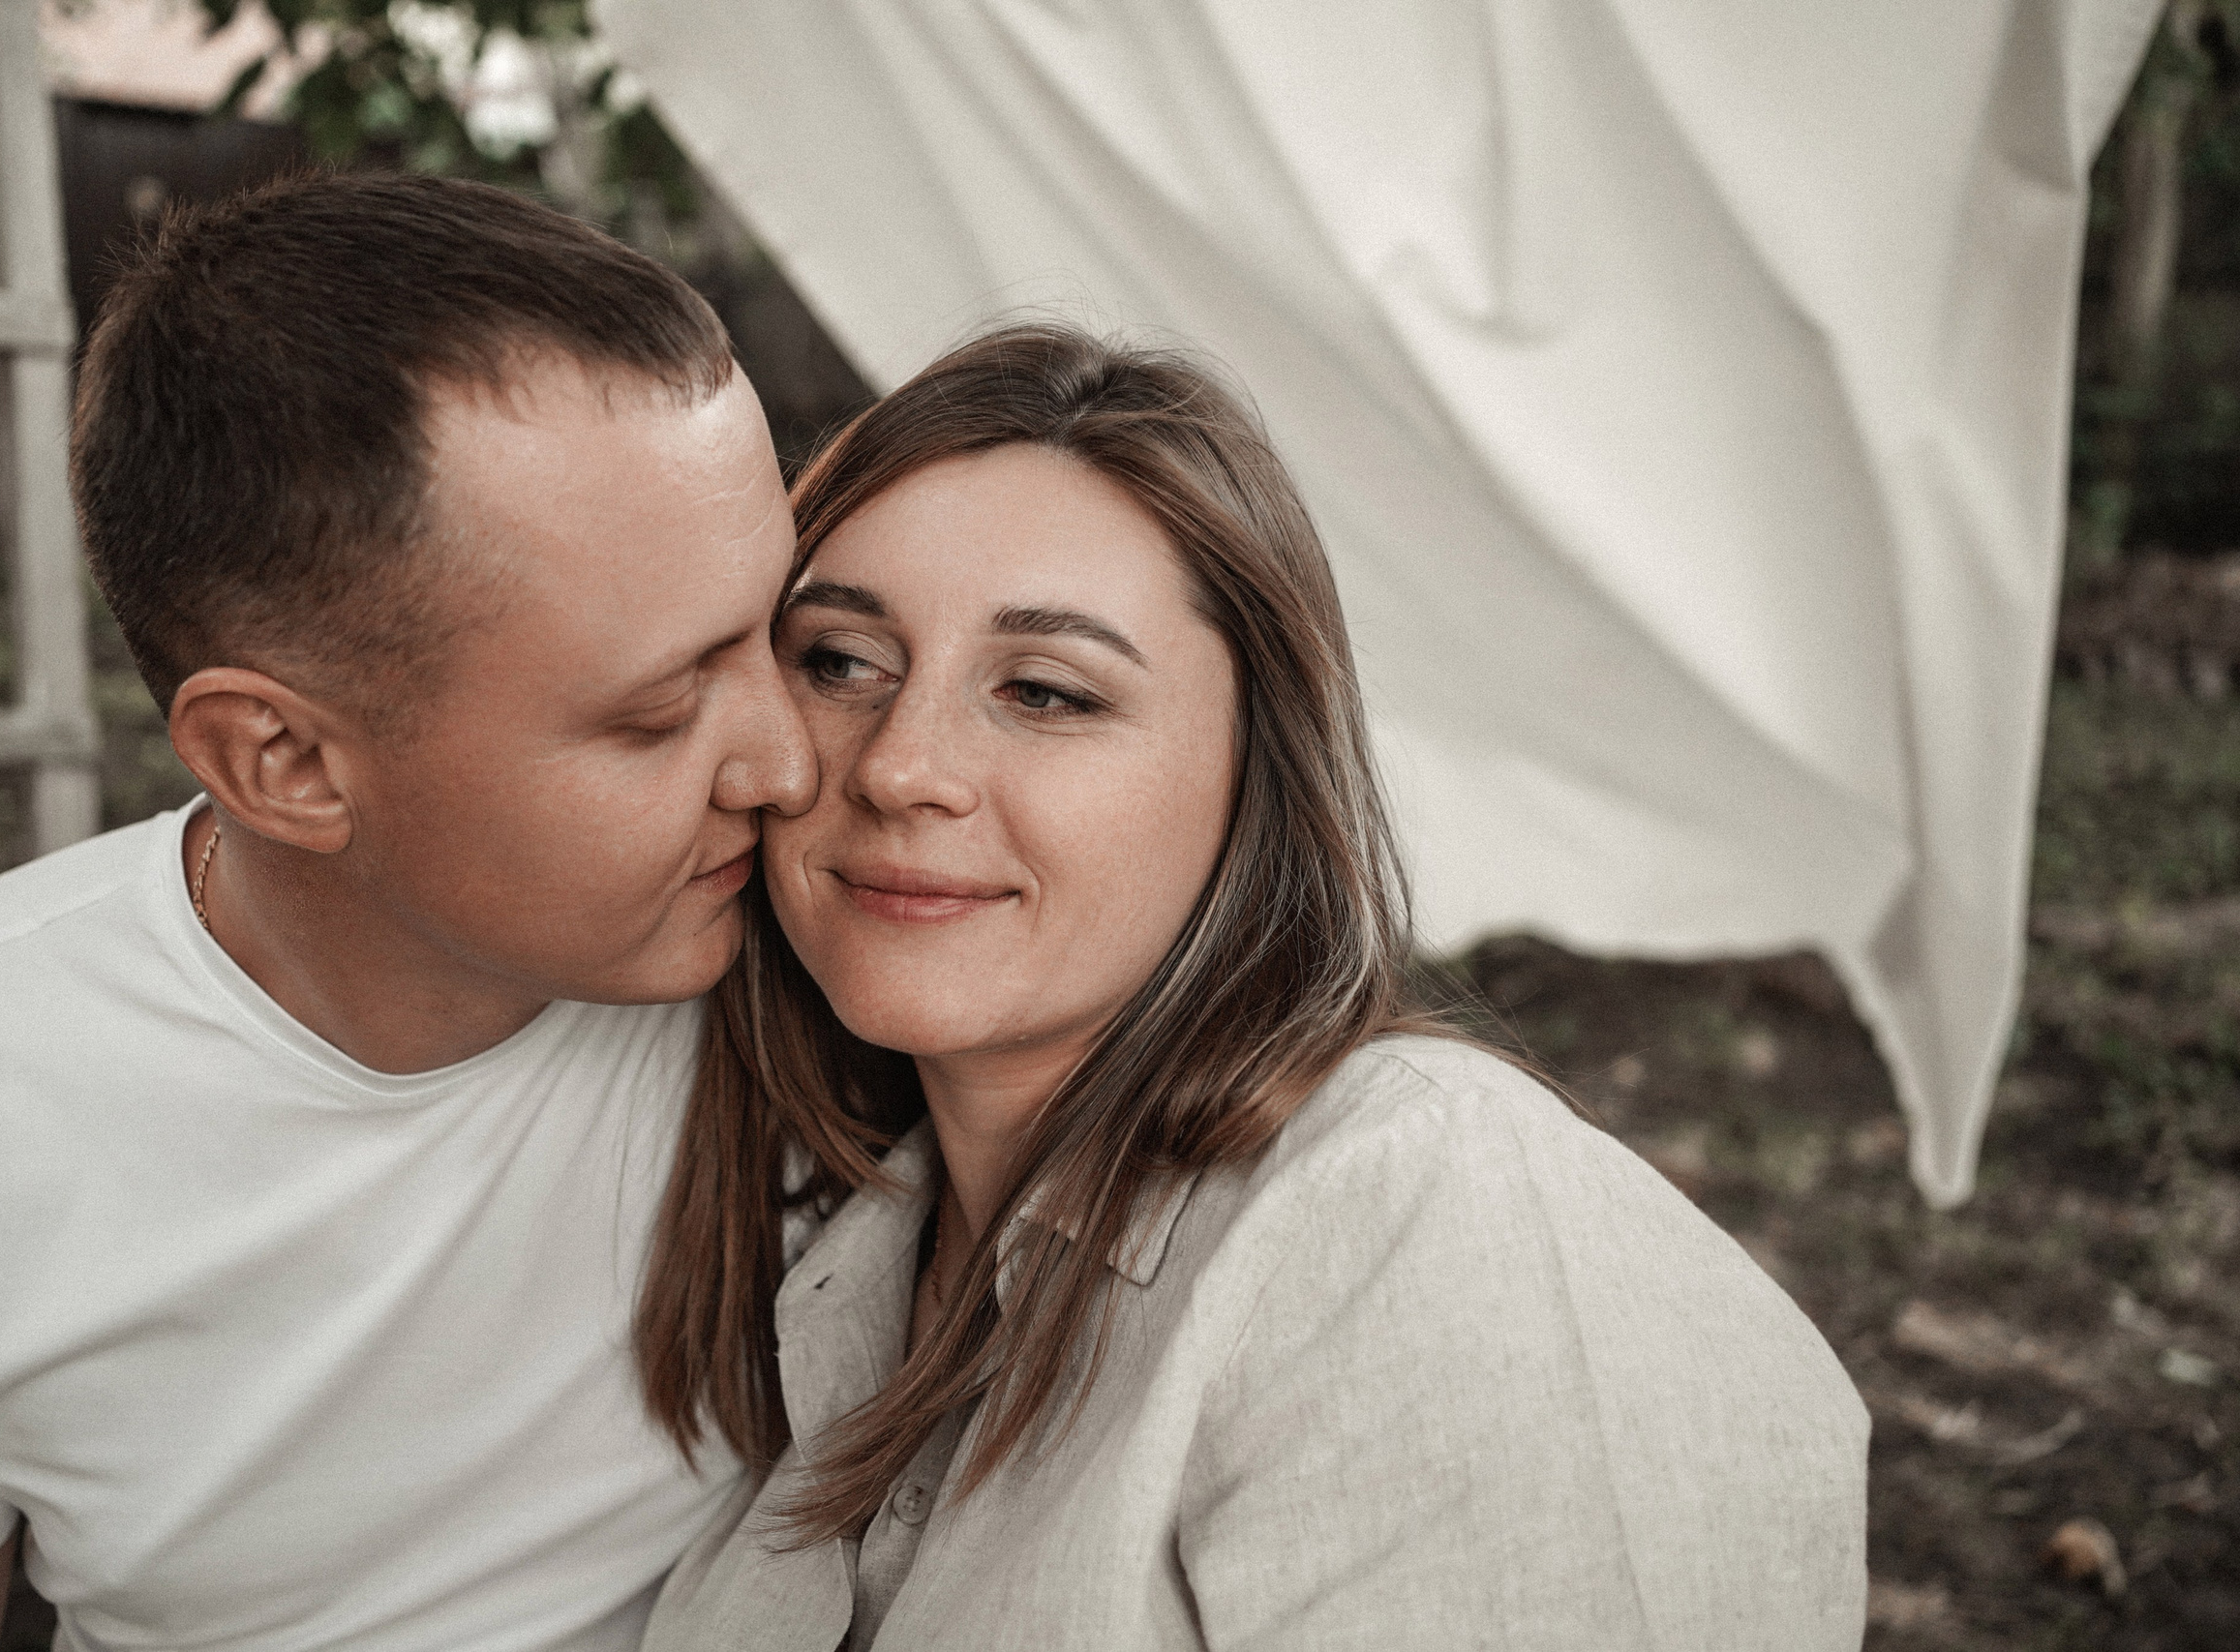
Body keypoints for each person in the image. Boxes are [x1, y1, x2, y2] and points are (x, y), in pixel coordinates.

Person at [635, 323, 1871, 1651]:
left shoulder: (1430, 1217)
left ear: (1254, 780)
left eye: (1046, 693)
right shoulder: (833, 1269)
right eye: (838, 663)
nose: (899, 765)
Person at [0, 171, 813, 1650]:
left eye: (787, 634)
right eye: (657, 713)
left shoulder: (844, 956)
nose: (790, 762)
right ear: (287, 761)